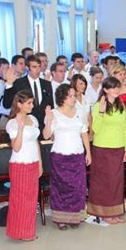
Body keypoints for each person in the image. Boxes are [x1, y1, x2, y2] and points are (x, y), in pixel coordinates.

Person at [43, 84, 91, 230]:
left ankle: (74, 217)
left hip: (77, 154)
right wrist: (49, 120)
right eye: (70, 96)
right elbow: (46, 135)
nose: (73, 99)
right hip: (60, 155)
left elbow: (84, 133)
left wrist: (88, 152)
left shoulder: (79, 112)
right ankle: (61, 219)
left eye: (74, 96)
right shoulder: (54, 113)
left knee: (78, 187)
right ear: (62, 98)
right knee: (60, 188)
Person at [87, 77, 126, 224]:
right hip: (103, 148)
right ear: (105, 90)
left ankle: (115, 212)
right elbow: (95, 129)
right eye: (113, 87)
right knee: (104, 181)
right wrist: (100, 113)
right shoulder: (98, 105)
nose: (117, 90)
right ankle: (104, 213)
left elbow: (125, 128)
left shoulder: (121, 106)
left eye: (118, 87)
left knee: (116, 181)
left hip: (118, 147)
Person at [5, 90, 42, 241]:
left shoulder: (33, 119)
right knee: (20, 199)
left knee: (32, 199)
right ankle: (20, 232)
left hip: (33, 162)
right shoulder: (12, 123)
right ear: (19, 105)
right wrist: (20, 129)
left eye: (32, 102)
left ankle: (28, 230)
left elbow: (36, 142)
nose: (32, 106)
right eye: (28, 103)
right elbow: (16, 147)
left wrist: (40, 163)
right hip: (20, 164)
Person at [3, 55, 54, 138]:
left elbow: (50, 107)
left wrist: (51, 128)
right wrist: (9, 84)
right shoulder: (19, 83)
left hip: (43, 127)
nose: (37, 70)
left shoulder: (46, 84)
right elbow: (7, 104)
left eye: (39, 67)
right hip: (26, 126)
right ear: (27, 67)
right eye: (34, 67)